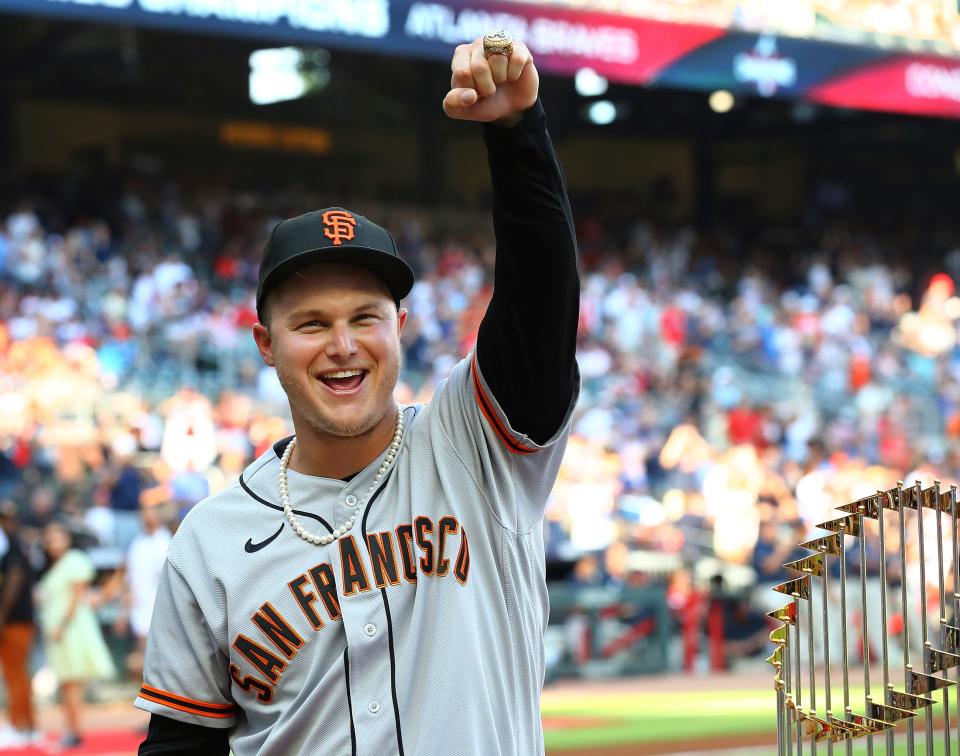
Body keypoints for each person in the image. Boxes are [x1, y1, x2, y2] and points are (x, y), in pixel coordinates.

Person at [136, 32, 580, 756]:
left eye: (364, 318)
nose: (343, 345)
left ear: (399, 328)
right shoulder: (211, 540)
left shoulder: (474, 451)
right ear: (266, 345)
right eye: (312, 323)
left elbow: (539, 305)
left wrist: (516, 133)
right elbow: (181, 743)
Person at [38, 522, 116, 749]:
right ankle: (70, 728)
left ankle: (75, 730)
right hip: (59, 633)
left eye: (57, 538)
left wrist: (60, 626)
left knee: (72, 684)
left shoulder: (75, 561)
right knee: (65, 683)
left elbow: (75, 599)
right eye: (50, 539)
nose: (54, 543)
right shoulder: (55, 566)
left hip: (71, 631)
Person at [0, 501, 40, 748]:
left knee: (15, 673)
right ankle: (25, 725)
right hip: (14, 619)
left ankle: (20, 725)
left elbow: (13, 583)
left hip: (15, 620)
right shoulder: (11, 546)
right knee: (15, 673)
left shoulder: (13, 546)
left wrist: (1, 617)